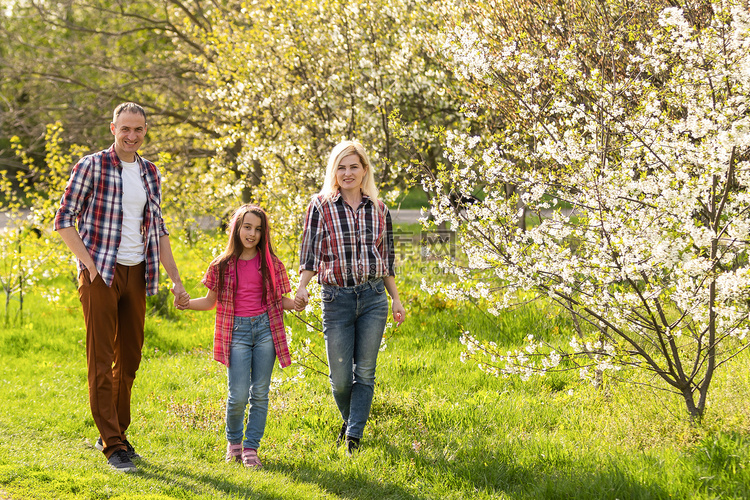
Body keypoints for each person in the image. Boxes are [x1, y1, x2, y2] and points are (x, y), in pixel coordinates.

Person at [54, 102, 189, 473]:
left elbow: (158, 228)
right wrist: (91, 265)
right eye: (125, 129)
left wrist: (176, 279)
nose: (132, 136)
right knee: (100, 360)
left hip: (138, 272)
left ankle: (115, 432)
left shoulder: (149, 172)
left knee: (128, 359)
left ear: (146, 131)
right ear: (113, 127)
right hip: (101, 274)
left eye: (139, 130)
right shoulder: (91, 166)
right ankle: (113, 446)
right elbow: (63, 219)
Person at [295, 140, 406, 455]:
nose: (347, 173)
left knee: (366, 372)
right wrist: (302, 286)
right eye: (341, 167)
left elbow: (387, 260)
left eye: (353, 166)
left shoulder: (380, 209)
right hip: (336, 300)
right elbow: (310, 254)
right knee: (341, 378)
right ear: (334, 171)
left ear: (364, 170)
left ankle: (353, 438)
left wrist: (395, 298)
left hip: (373, 298)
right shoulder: (319, 205)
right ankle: (352, 421)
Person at [177, 204, 302, 469]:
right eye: (247, 227)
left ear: (263, 234)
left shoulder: (271, 264)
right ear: (236, 228)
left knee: (260, 393)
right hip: (237, 333)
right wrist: (187, 303)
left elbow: (280, 302)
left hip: (266, 331)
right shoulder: (222, 265)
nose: (252, 233)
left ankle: (250, 448)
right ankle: (233, 442)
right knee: (237, 395)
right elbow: (211, 302)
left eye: (258, 229)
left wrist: (298, 303)